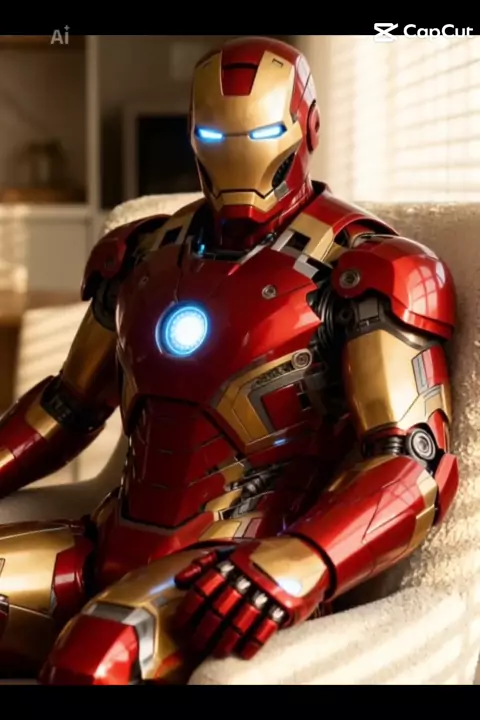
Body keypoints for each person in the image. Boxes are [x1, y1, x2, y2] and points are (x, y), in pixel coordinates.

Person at [0, 36, 457, 685]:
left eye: (265, 132)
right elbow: (65, 407)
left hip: (230, 569)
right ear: (191, 133)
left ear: (307, 126)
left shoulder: (368, 269)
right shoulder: (142, 252)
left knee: (94, 660)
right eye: (214, 135)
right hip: (108, 538)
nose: (239, 155)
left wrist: (303, 560)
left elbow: (413, 460)